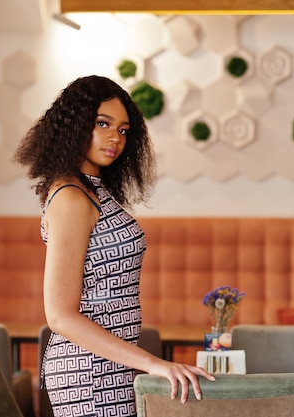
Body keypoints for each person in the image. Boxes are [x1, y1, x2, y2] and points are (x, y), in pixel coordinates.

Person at [13, 75, 215, 417]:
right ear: (75, 126)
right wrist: (154, 364)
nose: (114, 138)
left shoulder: (91, 189)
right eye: (102, 123)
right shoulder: (71, 198)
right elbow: (60, 316)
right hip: (87, 373)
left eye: (123, 130)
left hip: (112, 363)